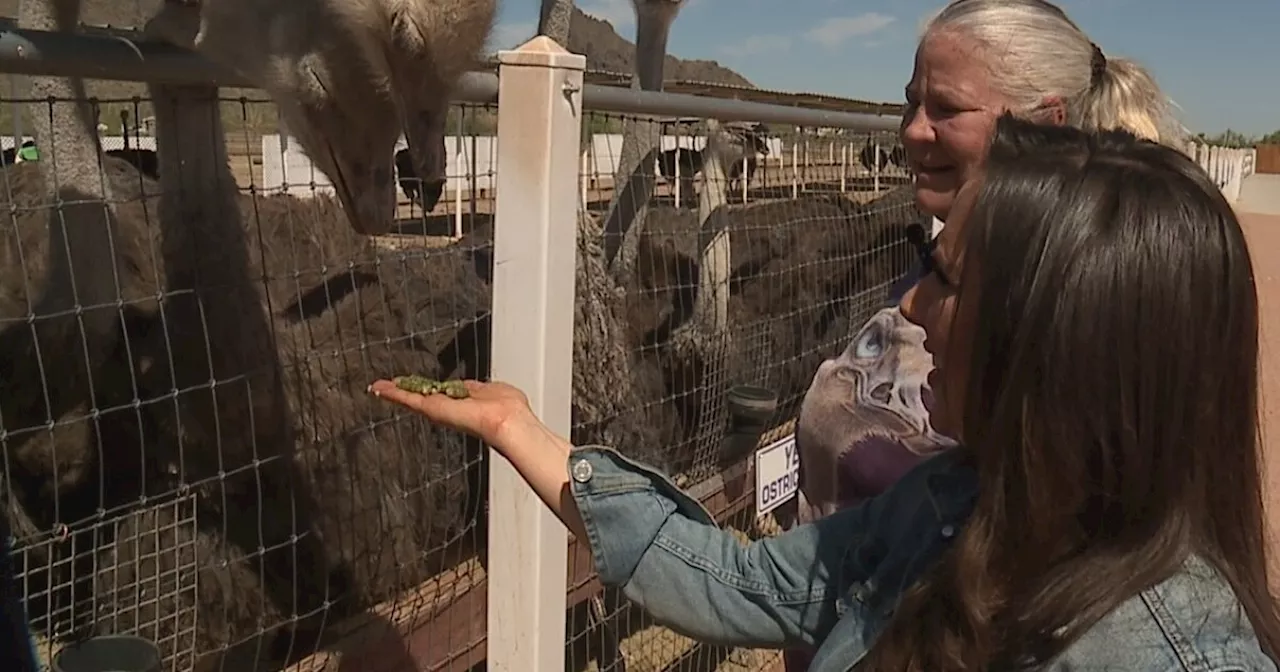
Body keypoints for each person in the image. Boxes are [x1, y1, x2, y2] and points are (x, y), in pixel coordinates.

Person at [369, 115, 1280, 670]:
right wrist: (522, 430)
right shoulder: (948, 506)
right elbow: (741, 580)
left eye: (951, 283)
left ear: (1059, 337)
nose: (913, 305)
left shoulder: (1173, 654)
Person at [783, 1, 1186, 665]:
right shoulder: (922, 284)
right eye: (911, 102)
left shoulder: (1067, 337)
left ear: (1044, 126)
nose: (912, 131)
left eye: (946, 108)